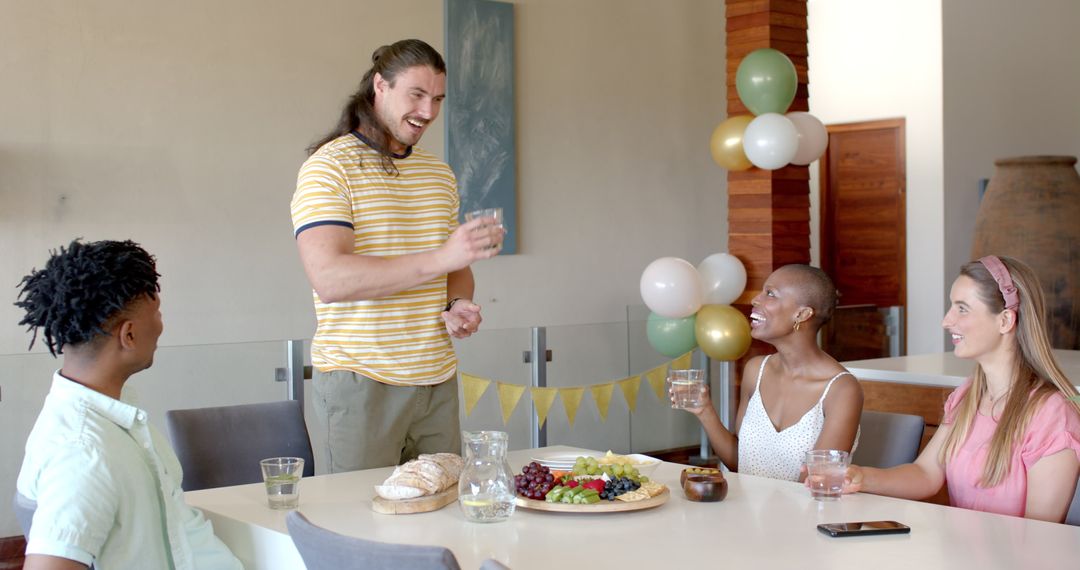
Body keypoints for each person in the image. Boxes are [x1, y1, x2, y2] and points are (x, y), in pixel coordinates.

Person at [291, 39, 504, 473]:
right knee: (356, 524)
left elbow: (455, 269)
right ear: (380, 87)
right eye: (417, 95)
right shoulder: (329, 167)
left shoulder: (438, 174)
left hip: (437, 381)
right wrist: (442, 259)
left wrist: (456, 303)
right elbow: (330, 279)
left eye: (438, 99)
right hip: (360, 384)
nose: (428, 112)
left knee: (442, 515)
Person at [14, 239, 242, 570]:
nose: (162, 325)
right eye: (157, 313)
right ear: (129, 335)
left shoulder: (112, 418)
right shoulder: (84, 453)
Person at [840, 256, 1080, 522]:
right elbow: (926, 474)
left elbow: (1041, 533)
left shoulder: (1052, 415)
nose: (946, 321)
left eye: (962, 308)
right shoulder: (968, 395)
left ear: (1005, 321)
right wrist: (862, 476)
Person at [676, 264, 863, 481]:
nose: (755, 299)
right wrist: (704, 411)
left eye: (770, 294)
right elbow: (741, 463)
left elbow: (818, 483)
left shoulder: (842, 389)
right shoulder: (756, 370)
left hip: (805, 514)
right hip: (746, 510)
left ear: (802, 314)